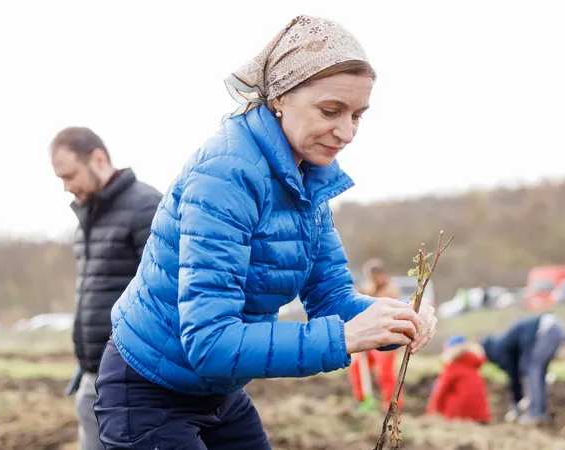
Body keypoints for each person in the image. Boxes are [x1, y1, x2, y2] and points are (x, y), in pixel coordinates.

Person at [92, 15, 437, 450]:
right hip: (147, 388)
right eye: (331, 111)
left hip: (218, 389)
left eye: (357, 115)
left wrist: (393, 319)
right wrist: (346, 337)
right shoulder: (226, 174)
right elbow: (210, 342)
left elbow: (331, 299)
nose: (347, 132)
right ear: (280, 96)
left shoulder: (309, 177)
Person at [49, 126, 162, 450]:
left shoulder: (147, 207)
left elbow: (163, 293)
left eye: (70, 176)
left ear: (98, 159)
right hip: (92, 372)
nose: (67, 187)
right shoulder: (87, 215)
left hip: (132, 377)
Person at [481, 313, 565, 425]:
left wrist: (516, 404)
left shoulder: (500, 350)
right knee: (537, 370)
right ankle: (540, 411)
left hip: (549, 329)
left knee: (532, 369)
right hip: (554, 327)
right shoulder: (507, 343)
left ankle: (535, 413)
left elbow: (514, 377)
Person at [349, 258, 402, 411]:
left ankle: (392, 406)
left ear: (381, 274)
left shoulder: (390, 290)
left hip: (388, 339)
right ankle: (363, 400)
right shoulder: (369, 287)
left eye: (374, 276)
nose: (372, 279)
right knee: (357, 367)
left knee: (385, 373)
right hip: (370, 337)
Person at [425, 335, 491, 424]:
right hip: (480, 416)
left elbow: (439, 393)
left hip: (457, 416)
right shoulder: (474, 367)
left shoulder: (452, 368)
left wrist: (431, 413)